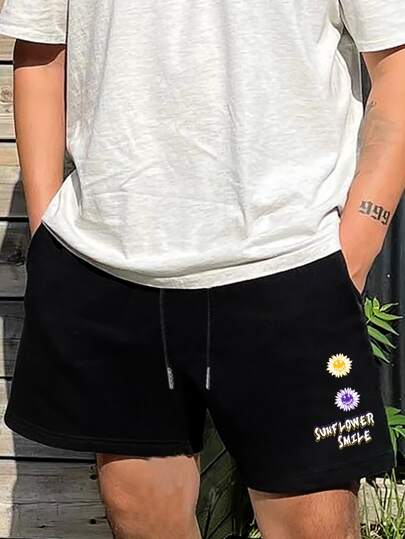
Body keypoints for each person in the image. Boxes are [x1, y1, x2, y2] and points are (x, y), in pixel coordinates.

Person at [0, 0, 404, 537]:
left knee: (315, 526)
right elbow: (40, 51)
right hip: (115, 267)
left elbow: (396, 66)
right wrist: (47, 232)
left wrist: (357, 244)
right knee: (143, 521)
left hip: (289, 261)